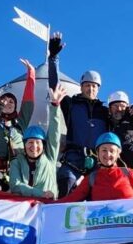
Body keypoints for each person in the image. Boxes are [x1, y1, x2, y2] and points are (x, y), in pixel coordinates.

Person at [45, 33, 110, 196]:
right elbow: (54, 86)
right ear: (81, 87)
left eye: (94, 86)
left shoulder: (105, 111)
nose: (90, 89)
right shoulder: (71, 104)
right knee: (66, 181)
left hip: (97, 161)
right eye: (87, 85)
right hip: (73, 159)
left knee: (99, 193)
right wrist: (53, 58)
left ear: (98, 89)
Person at [0, 59, 36, 190]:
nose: (8, 103)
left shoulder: (20, 123)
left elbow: (28, 102)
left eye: (12, 101)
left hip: (20, 170)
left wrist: (31, 74)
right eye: (4, 100)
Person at [8, 85, 66, 200]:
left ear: (43, 145)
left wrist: (55, 106)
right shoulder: (17, 162)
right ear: (24, 145)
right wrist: (41, 193)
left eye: (38, 142)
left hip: (47, 206)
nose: (34, 146)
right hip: (24, 207)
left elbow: (54, 132)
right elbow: (16, 185)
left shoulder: (49, 157)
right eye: (30, 142)